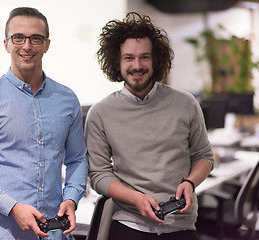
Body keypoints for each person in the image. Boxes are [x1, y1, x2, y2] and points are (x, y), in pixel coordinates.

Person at [0, 7, 88, 240]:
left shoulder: (67, 100)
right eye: (18, 37)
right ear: (6, 44)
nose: (27, 46)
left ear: (47, 44)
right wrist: (13, 207)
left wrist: (71, 199)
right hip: (2, 234)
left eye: (36, 38)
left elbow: (77, 158)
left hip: (55, 232)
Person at [85, 12, 214, 240]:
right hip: (128, 224)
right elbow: (99, 175)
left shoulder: (186, 103)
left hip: (180, 224)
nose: (137, 65)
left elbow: (204, 156)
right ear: (117, 61)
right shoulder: (100, 113)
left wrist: (190, 183)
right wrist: (136, 198)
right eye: (129, 58)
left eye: (145, 57)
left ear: (156, 59)